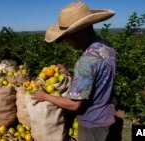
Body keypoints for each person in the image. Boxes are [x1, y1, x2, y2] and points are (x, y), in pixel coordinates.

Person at [33, 2, 116, 141]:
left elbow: (73, 104)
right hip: (106, 114)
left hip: (92, 123)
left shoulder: (86, 62)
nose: (67, 43)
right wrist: (70, 75)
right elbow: (95, 80)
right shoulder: (106, 46)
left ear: (78, 33)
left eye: (67, 37)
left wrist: (44, 96)